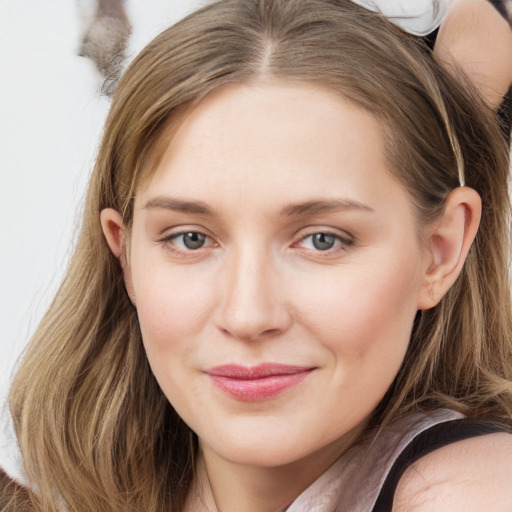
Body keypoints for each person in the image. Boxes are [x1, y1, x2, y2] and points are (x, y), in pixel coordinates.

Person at [2, 0, 512, 510]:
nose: (247, 315)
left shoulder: (471, 489)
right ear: (125, 257)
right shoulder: (44, 488)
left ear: (440, 251)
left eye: (323, 240)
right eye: (190, 239)